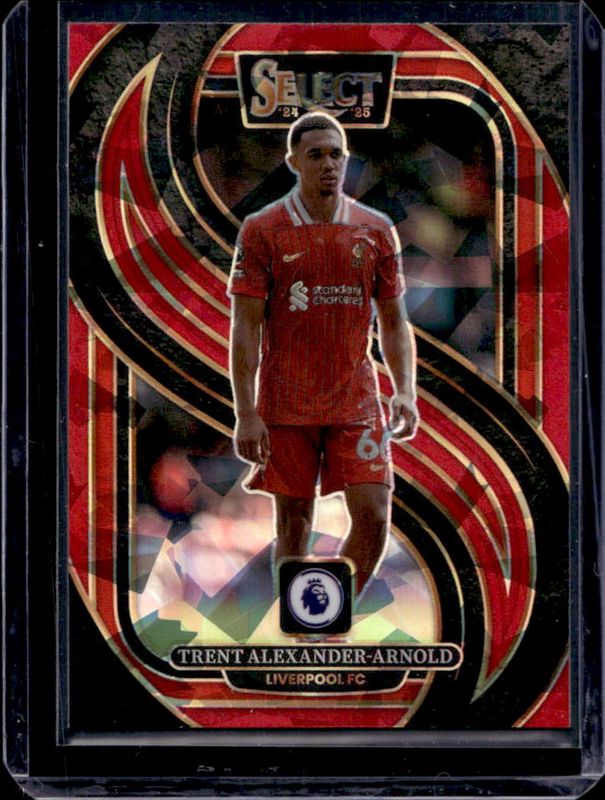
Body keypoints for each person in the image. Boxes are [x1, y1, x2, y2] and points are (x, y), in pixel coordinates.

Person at [228, 111, 418, 601]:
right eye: (316, 155)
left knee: (374, 513)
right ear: (293, 161)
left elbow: (394, 321)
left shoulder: (375, 230)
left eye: (337, 155)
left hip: (356, 400)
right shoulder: (263, 229)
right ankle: (305, 631)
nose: (329, 165)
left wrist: (405, 390)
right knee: (294, 525)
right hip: (286, 401)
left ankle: (329, 614)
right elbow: (245, 328)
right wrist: (246, 412)